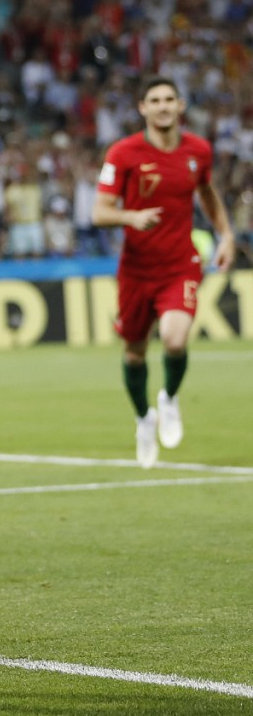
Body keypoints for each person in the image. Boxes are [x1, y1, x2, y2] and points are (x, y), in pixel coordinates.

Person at [92, 76, 235, 469]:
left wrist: (225, 235)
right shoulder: (123, 153)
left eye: (169, 99)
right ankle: (143, 418)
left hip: (180, 263)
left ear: (181, 105)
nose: (163, 106)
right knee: (135, 353)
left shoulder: (198, 150)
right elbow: (99, 213)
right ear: (142, 108)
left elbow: (206, 193)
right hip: (137, 270)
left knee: (174, 339)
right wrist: (130, 216)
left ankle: (169, 398)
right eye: (154, 100)